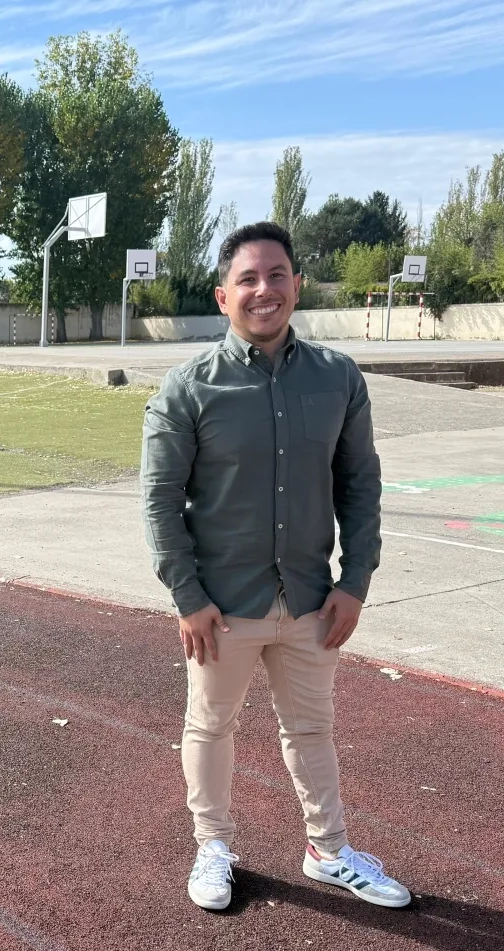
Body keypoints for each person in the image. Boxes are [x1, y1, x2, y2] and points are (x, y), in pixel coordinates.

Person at [140, 221, 411, 912]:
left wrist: (355, 582)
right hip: (222, 606)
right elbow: (160, 500)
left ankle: (329, 850)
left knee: (312, 728)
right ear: (223, 296)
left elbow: (361, 485)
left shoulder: (338, 378)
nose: (265, 289)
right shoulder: (188, 388)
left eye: (278, 275)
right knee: (210, 726)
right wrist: (187, 595)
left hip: (312, 600)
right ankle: (213, 846)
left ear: (297, 285)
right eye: (249, 279)